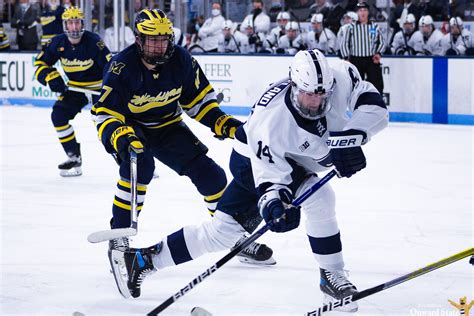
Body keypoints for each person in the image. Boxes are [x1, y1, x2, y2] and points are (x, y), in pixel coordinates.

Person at [111, 48, 388, 308]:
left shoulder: (340, 75)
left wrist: (351, 138)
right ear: (294, 85)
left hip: (295, 158)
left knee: (220, 233)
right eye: (308, 95)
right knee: (320, 197)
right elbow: (270, 180)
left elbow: (375, 106)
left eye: (321, 95)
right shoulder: (270, 123)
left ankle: (142, 260)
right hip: (250, 162)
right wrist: (274, 207)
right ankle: (331, 275)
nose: (315, 102)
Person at [91, 9, 275, 297]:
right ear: (139, 40)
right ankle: (119, 240)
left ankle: (232, 233)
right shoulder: (121, 67)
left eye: (163, 40)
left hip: (167, 127)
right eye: (151, 41)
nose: (158, 46)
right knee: (140, 168)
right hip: (131, 129)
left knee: (212, 176)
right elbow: (104, 112)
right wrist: (123, 138)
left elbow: (199, 103)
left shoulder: (183, 61)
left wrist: (224, 124)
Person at [34, 6, 112, 177]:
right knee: (58, 116)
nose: (74, 27)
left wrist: (110, 91)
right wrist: (50, 76)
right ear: (64, 25)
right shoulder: (57, 43)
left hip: (98, 89)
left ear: (83, 24)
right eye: (70, 23)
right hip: (75, 89)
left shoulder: (94, 42)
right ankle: (73, 157)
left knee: (106, 127)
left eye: (77, 23)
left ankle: (133, 162)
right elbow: (40, 64)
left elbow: (110, 68)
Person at [340, 1, 385, 94]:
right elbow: (344, 43)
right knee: (355, 84)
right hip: (356, 59)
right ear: (357, 13)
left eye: (365, 10)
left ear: (368, 12)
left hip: (371, 59)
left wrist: (378, 53)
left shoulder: (374, 26)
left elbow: (382, 41)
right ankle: (357, 104)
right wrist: (346, 58)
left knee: (376, 83)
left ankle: (376, 102)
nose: (363, 12)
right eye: (360, 10)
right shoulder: (350, 27)